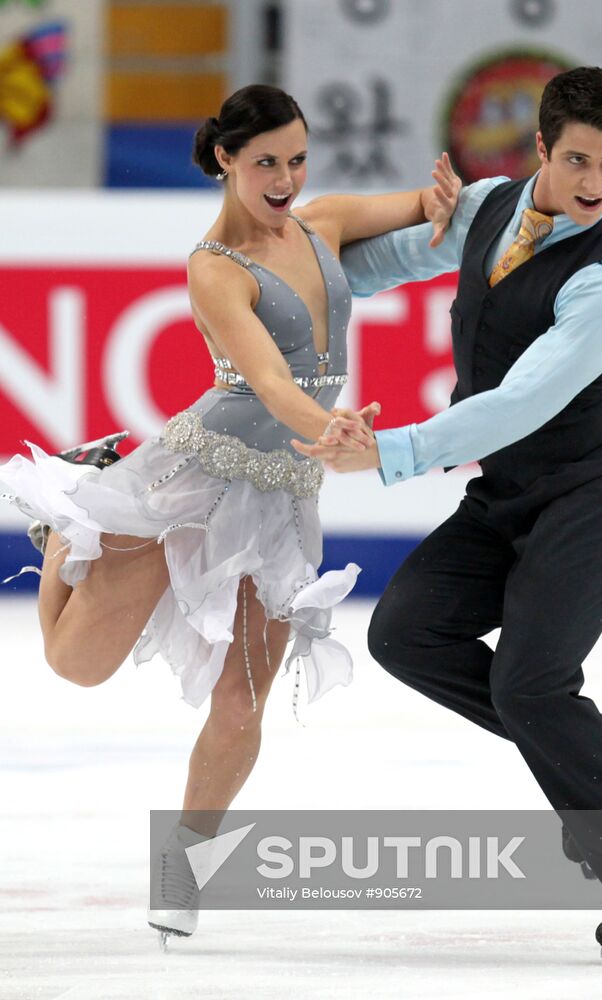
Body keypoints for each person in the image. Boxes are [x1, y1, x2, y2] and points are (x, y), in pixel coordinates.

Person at [0, 84, 461, 947]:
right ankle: (69, 522)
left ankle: (182, 873)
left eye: (295, 158)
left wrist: (440, 202)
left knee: (244, 697)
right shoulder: (212, 265)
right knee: (78, 667)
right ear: (225, 160)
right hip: (192, 477)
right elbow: (272, 384)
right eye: (265, 164)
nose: (284, 178)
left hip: (284, 498)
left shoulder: (321, 225)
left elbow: (415, 205)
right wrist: (334, 428)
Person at [294, 67, 602, 964]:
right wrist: (280, 283)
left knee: (531, 684)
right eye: (577, 160)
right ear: (539, 148)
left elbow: (519, 401)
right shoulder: (488, 205)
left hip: (588, 499)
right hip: (506, 498)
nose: (595, 183)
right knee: (407, 632)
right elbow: (380, 266)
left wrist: (393, 450)